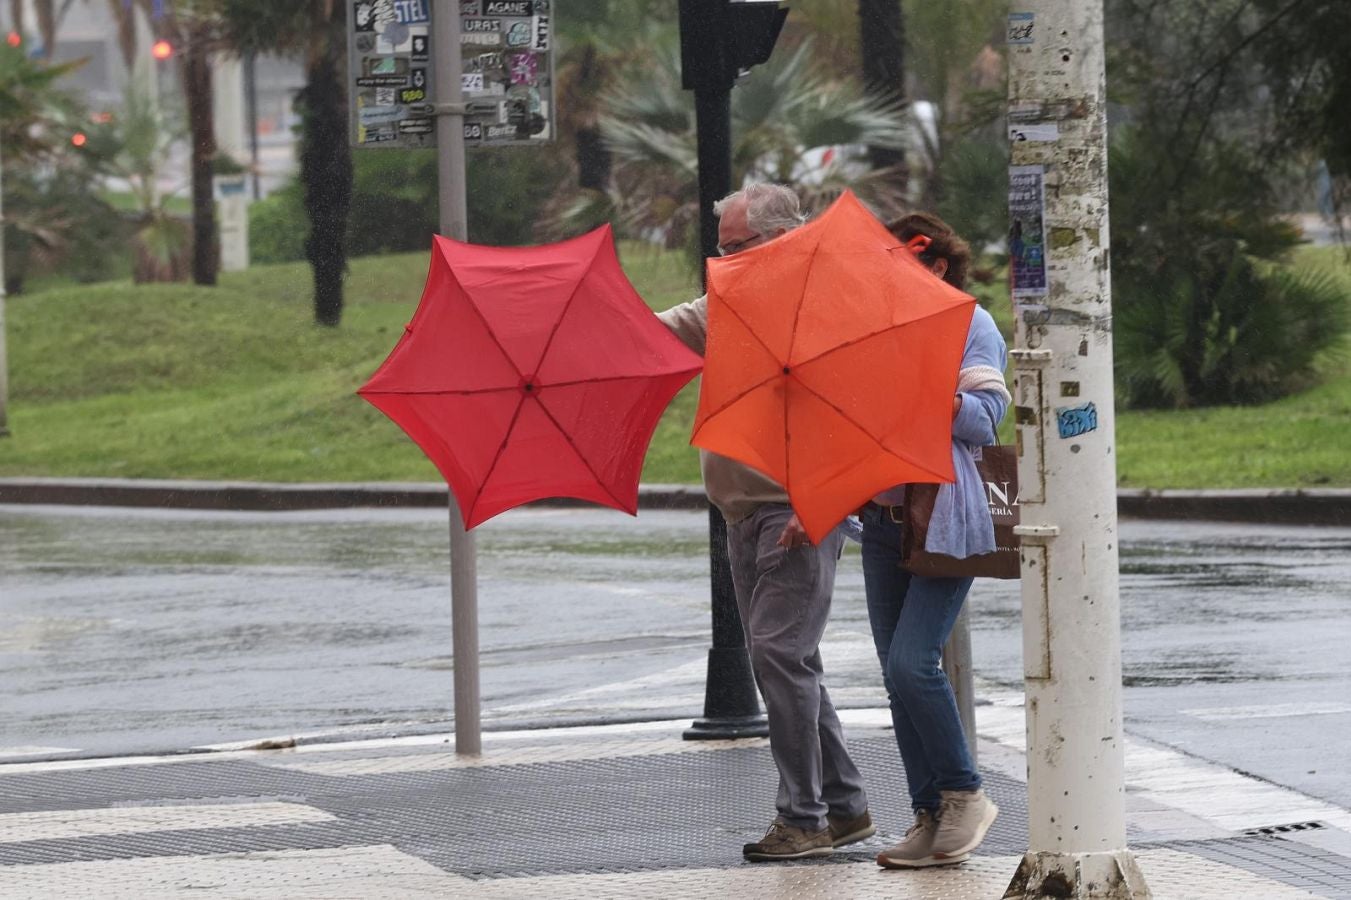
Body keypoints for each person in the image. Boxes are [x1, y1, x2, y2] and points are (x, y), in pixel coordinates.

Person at [658, 183, 873, 862]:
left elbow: (855, 416)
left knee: (778, 656)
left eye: (736, 248)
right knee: (790, 661)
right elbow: (653, 334)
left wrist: (821, 505)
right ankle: (844, 806)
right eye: (717, 251)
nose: (722, 263)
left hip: (793, 512)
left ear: (782, 238)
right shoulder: (730, 303)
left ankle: (803, 818)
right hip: (742, 512)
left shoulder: (827, 308)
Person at [863, 212, 1010, 869]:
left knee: (910, 663)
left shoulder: (969, 325)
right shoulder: (878, 334)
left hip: (946, 516)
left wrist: (931, 388)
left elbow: (984, 419)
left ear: (937, 267)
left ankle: (964, 793)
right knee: (894, 678)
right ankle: (927, 816)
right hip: (881, 519)